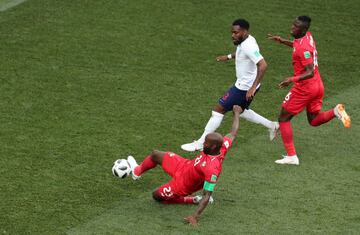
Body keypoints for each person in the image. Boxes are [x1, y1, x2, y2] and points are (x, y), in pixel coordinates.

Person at [126, 105, 242, 225]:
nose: (203, 144)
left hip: (182, 184)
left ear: (213, 147)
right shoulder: (222, 146)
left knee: (156, 196)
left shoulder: (212, 169)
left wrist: (195, 216)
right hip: (183, 165)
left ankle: (191, 200)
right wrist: (237, 113)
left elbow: (207, 195)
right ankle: (137, 171)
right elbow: (233, 133)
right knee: (155, 154)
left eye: (206, 143)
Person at [181, 18, 278, 152]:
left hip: (244, 87)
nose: (233, 35)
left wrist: (252, 87)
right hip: (246, 85)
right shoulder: (246, 40)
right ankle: (272, 125)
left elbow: (263, 65)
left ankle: (200, 142)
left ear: (245, 31)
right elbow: (241, 53)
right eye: (232, 32)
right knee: (240, 111)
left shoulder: (248, 45)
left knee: (218, 110)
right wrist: (228, 57)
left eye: (236, 32)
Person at [268, 15, 351, 165]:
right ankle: (335, 111)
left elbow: (310, 71)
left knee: (283, 118)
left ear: (304, 29)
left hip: (305, 88)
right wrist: (282, 41)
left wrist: (291, 79)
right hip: (318, 85)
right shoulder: (307, 37)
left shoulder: (302, 47)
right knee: (313, 120)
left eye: (296, 26)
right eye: (293, 24)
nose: (292, 28)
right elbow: (297, 45)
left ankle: (292, 156)